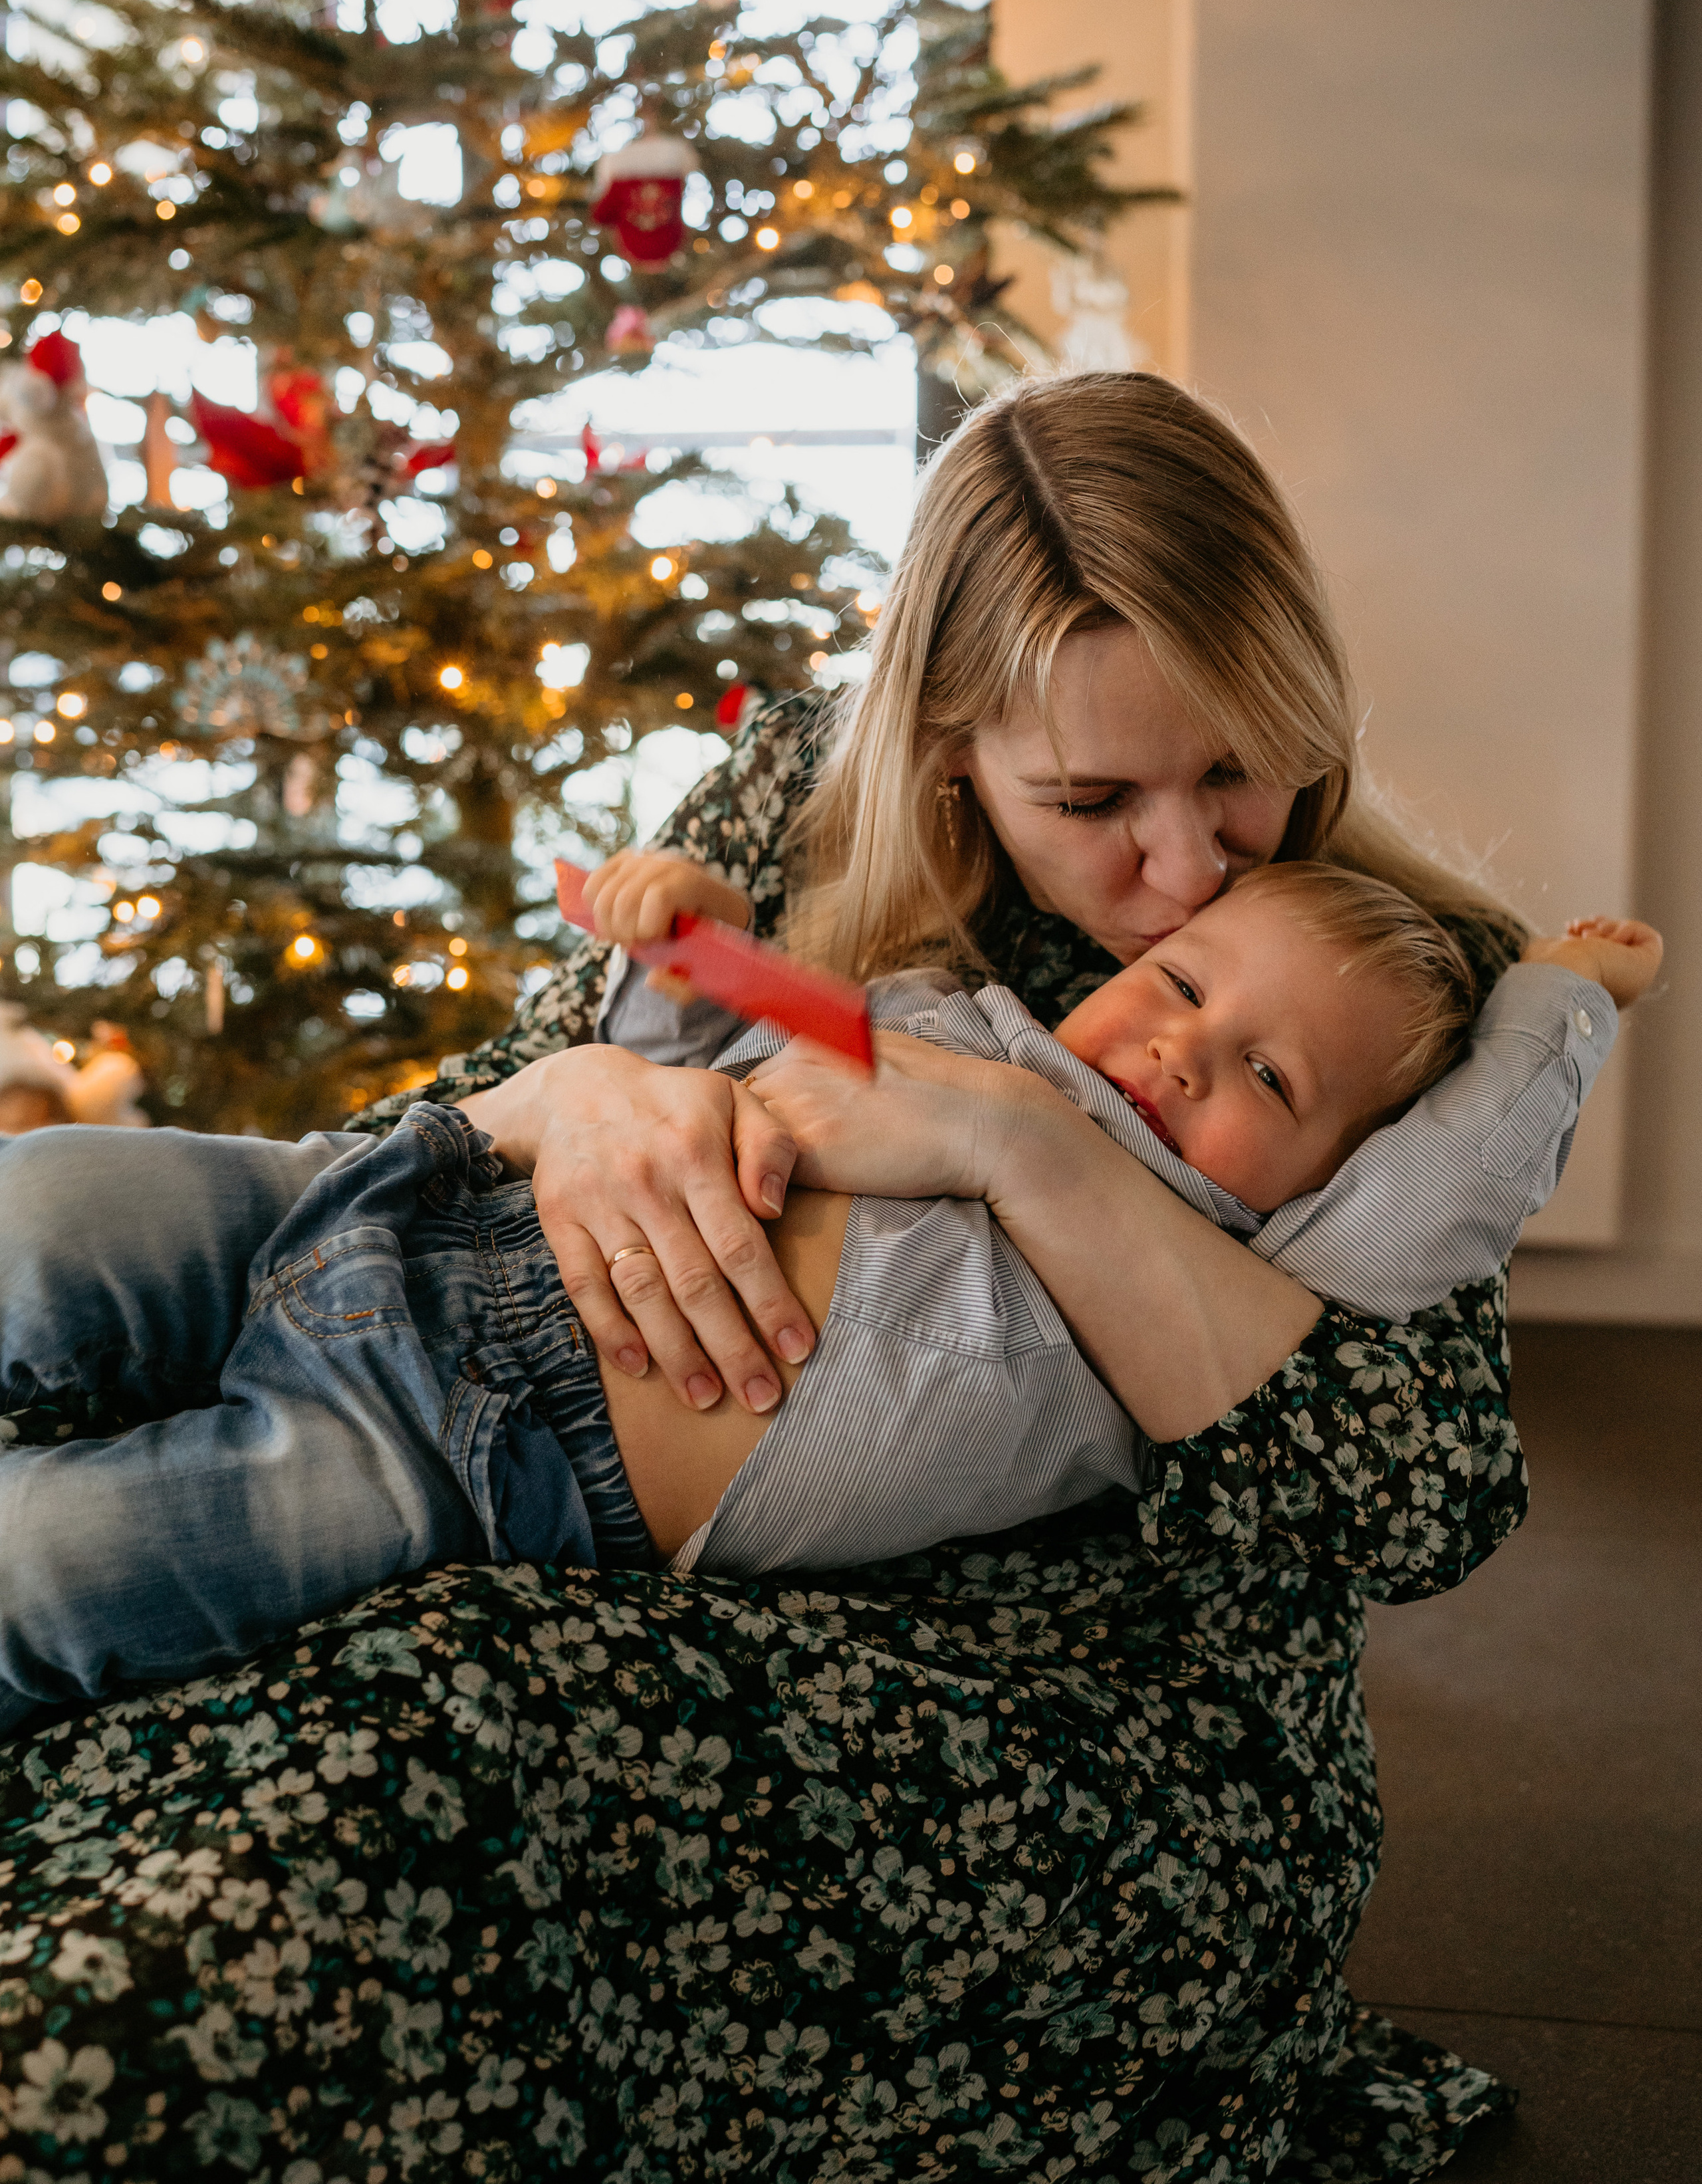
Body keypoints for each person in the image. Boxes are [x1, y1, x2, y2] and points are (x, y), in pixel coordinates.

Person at [0, 373, 1588, 2173]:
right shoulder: (810, 787)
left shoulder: (1381, 984)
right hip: (501, 1373)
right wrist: (583, 1090)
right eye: (1094, 794)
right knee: (74, 1304)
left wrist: (1026, 1144)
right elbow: (491, 1094)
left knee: (380, 1752)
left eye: (1239, 766)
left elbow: (1408, 1497)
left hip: (1064, 1727)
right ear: (949, 751)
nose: (1184, 862)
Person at [0, 857, 1657, 1737]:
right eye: (1177, 987)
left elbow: (1464, 1177)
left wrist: (1562, 994)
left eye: (1265, 1076)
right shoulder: (954, 1022)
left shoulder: (1243, 1264)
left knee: (60, 1565)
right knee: (45, 1207)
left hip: (474, 1458)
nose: (1174, 1049)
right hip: (403, 1197)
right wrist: (676, 955)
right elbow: (697, 1049)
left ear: (1326, 1178)